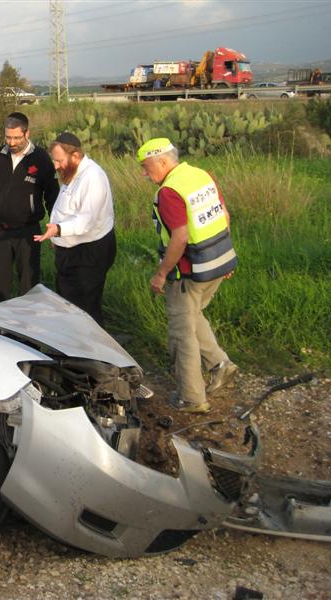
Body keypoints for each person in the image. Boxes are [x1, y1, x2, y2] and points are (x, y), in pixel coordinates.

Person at [138, 138, 239, 414]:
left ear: (162, 161)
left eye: (146, 167)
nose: (144, 174)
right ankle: (221, 365)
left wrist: (161, 274)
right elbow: (224, 216)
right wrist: (223, 259)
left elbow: (180, 237)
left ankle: (191, 397)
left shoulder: (169, 191)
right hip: (216, 264)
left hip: (188, 272)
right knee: (193, 315)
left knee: (182, 333)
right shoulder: (201, 175)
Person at [0, 112, 59, 301]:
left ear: (27, 134)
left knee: (28, 287)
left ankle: (26, 326)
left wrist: (55, 227)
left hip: (27, 233)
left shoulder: (41, 159)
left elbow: (53, 197)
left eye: (16, 138)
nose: (11, 143)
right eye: (8, 137)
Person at [34, 132, 116, 326]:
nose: (55, 165)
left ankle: (92, 351)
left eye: (59, 160)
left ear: (76, 155)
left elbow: (86, 221)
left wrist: (58, 231)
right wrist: (58, 239)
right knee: (67, 303)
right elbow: (66, 207)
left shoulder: (93, 177)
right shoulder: (72, 172)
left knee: (85, 308)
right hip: (70, 251)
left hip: (89, 253)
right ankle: (71, 346)